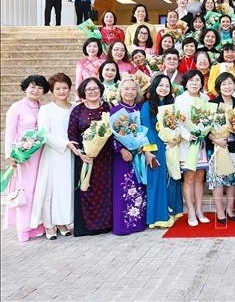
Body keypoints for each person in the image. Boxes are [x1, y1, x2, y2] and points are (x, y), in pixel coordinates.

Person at [4, 75, 50, 241]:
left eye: (39, 87)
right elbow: (9, 133)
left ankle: (38, 225)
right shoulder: (16, 108)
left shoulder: (43, 107)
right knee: (26, 191)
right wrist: (11, 155)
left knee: (40, 190)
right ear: (25, 88)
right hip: (24, 157)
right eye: (32, 87)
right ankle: (23, 228)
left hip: (42, 154)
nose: (36, 90)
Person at [29, 73, 75, 239]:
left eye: (65, 88)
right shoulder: (46, 110)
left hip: (70, 154)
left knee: (65, 190)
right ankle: (49, 225)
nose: (62, 91)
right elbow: (44, 134)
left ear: (70, 89)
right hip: (53, 154)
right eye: (58, 89)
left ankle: (61, 221)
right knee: (50, 190)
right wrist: (65, 144)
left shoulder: (74, 107)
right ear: (52, 91)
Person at [68, 77, 113, 236]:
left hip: (106, 158)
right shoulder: (77, 110)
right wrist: (80, 153)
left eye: (95, 88)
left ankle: (106, 225)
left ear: (100, 89)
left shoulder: (108, 107)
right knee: (86, 190)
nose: (92, 92)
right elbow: (72, 135)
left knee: (106, 190)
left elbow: (116, 130)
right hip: (85, 157)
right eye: (89, 89)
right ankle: (87, 227)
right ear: (83, 92)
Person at [141, 75, 183, 228]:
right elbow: (146, 128)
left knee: (172, 178)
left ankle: (172, 212)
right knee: (157, 181)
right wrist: (150, 150)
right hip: (156, 146)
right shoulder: (147, 105)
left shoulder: (171, 105)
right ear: (154, 86)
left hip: (171, 145)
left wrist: (175, 137)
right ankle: (158, 217)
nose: (164, 88)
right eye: (161, 85)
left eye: (167, 85)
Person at [109, 78, 148, 235]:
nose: (129, 92)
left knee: (140, 187)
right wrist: (121, 150)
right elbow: (110, 135)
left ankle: (138, 223)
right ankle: (123, 225)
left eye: (133, 89)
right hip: (122, 158)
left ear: (137, 91)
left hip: (140, 154)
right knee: (124, 188)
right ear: (120, 92)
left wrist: (142, 148)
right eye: (126, 89)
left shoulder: (141, 109)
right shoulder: (115, 111)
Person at [174, 70, 210, 227]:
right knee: (189, 178)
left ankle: (200, 210)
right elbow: (176, 122)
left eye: (197, 80)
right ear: (186, 83)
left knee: (200, 178)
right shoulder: (180, 99)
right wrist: (188, 135)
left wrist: (203, 132)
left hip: (201, 143)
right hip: (186, 144)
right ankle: (190, 212)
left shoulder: (206, 98)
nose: (194, 83)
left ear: (202, 83)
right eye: (191, 80)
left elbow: (210, 119)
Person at [207, 73, 235, 222]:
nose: (227, 87)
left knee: (232, 179)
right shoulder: (212, 103)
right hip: (216, 147)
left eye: (230, 83)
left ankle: (230, 209)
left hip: (234, 146)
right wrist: (216, 140)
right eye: (224, 84)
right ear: (219, 87)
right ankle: (220, 211)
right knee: (218, 180)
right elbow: (205, 128)